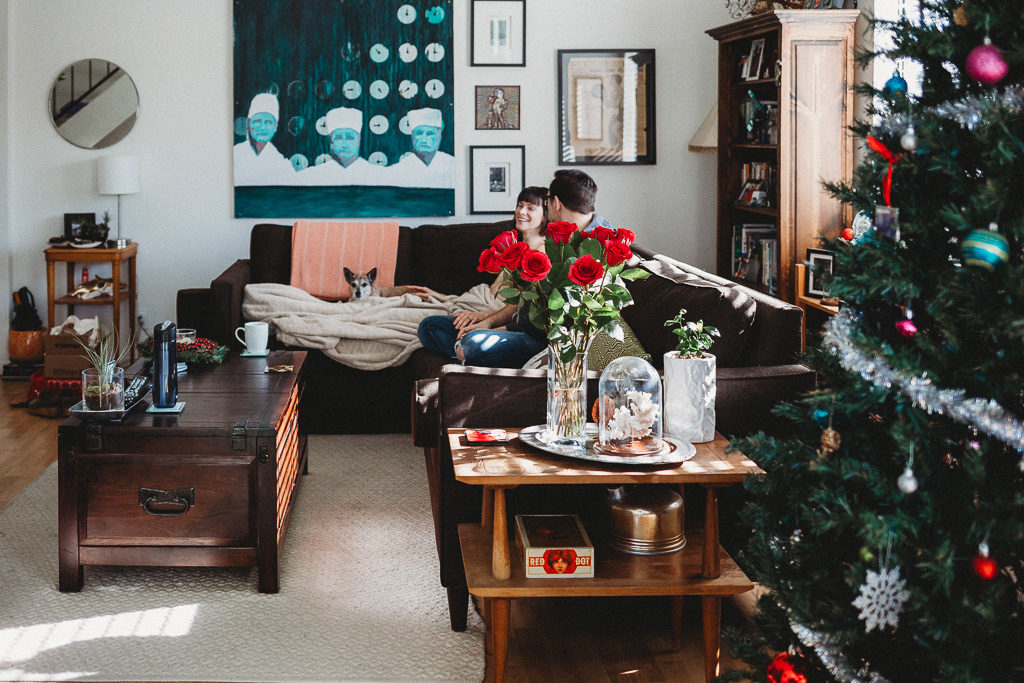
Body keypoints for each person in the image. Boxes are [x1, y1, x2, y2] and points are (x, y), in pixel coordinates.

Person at [417, 186, 549, 368]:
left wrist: (489, 326)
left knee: (473, 342)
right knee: (429, 326)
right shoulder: (517, 248)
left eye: (530, 208)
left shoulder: (544, 255)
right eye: (520, 205)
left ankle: (467, 353)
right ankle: (466, 356)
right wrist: (482, 318)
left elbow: (528, 319)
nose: (521, 212)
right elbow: (513, 306)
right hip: (503, 322)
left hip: (528, 335)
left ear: (545, 215)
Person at [297, 107, 382, 185]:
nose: (344, 144)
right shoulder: (311, 175)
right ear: (330, 140)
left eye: (350, 138)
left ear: (359, 139)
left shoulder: (376, 174)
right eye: (338, 138)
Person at [233, 93, 295, 186]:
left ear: (275, 127)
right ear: (249, 124)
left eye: (268, 122)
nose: (262, 127)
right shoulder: (235, 154)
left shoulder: (282, 164)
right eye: (257, 121)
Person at [387, 107, 455, 188]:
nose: (424, 140)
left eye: (430, 134)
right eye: (419, 133)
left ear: (439, 137)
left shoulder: (452, 164)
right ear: (412, 137)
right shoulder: (402, 167)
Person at [546, 169, 612, 233]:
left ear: (555, 203)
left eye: (547, 199)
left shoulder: (592, 242)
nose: (546, 205)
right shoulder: (609, 237)